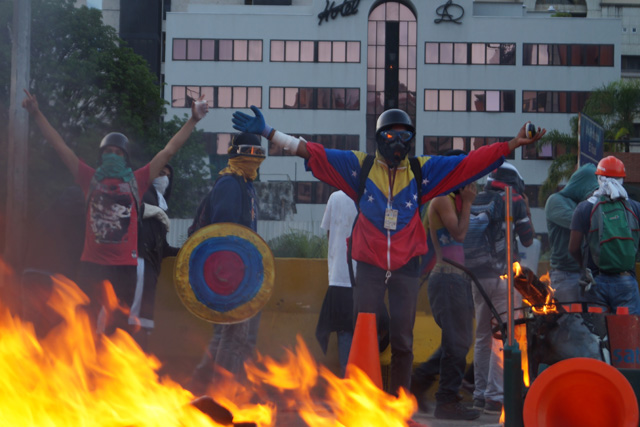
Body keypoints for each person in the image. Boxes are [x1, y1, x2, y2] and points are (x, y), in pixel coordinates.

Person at [231, 105, 545, 396]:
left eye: (405, 136)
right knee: (364, 330)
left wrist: (510, 145)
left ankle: (398, 403)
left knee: (403, 341)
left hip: (407, 267)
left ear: (412, 139)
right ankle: (361, 400)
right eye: (391, 135)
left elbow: (467, 164)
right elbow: (311, 150)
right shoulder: (359, 167)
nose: (398, 142)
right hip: (369, 266)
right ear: (380, 138)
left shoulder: (422, 172)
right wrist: (270, 132)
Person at [22, 89, 208, 334]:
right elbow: (60, 146)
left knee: (120, 331)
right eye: (108, 152)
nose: (112, 155)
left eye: (117, 152)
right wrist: (36, 114)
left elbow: (169, 151)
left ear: (125, 157)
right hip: (91, 266)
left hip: (125, 269)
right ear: (101, 156)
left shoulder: (137, 180)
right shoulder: (88, 178)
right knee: (86, 329)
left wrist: (193, 120)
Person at [187, 132, 266, 396]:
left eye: (257, 154)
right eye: (247, 153)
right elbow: (224, 237)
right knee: (233, 337)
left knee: (230, 337)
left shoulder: (246, 185)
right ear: (234, 154)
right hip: (230, 276)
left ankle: (205, 388)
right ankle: (217, 394)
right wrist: (232, 279)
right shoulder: (230, 184)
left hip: (243, 274)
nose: (252, 160)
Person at [410, 150, 480, 420]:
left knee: (459, 341)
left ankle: (423, 381)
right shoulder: (442, 199)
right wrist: (470, 202)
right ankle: (446, 401)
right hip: (446, 278)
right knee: (457, 341)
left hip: (457, 279)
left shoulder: (455, 199)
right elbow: (460, 234)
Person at [464, 162, 534, 415]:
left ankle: (480, 395)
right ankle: (495, 397)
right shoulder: (513, 199)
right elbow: (527, 238)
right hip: (504, 277)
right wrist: (524, 206)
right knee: (503, 336)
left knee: (482, 336)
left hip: (476, 276)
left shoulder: (477, 198)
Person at [569, 156, 640, 315]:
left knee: (598, 335)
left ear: (598, 178)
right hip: (626, 280)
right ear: (623, 178)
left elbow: (573, 248)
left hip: (595, 281)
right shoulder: (635, 208)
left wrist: (584, 267)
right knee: (627, 334)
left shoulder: (584, 208)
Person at [129, 164, 179, 351]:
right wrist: (149, 210)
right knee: (135, 320)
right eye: (160, 173)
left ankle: (139, 363)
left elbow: (162, 248)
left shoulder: (159, 204)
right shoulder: (144, 195)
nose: (164, 178)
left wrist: (186, 251)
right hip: (138, 264)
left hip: (150, 269)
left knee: (143, 320)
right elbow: (127, 207)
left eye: (167, 175)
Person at [315, 190, 358, 377]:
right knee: (366, 328)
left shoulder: (335, 197)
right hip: (366, 275)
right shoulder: (371, 191)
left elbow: (329, 234)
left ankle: (347, 380)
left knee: (344, 330)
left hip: (339, 274)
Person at [545, 164, 598, 303]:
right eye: (593, 189)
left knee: (589, 323)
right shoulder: (556, 201)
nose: (595, 194)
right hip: (565, 276)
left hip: (586, 275)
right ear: (581, 185)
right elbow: (580, 223)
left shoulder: (584, 205)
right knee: (567, 323)